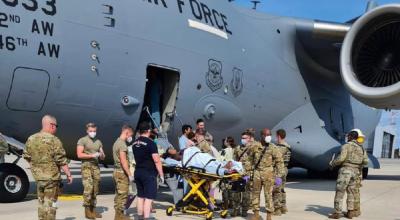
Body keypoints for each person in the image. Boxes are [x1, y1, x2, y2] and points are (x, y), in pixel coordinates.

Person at [23, 115, 73, 220]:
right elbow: (61, 161)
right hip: (51, 179)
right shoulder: (54, 140)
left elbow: (27, 156)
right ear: (52, 125)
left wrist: (37, 166)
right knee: (50, 205)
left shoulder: (31, 138)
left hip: (38, 178)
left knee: (41, 203)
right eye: (56, 126)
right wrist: (68, 174)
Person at [328, 129, 368, 219]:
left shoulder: (346, 146)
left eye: (348, 136)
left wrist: (332, 163)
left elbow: (341, 158)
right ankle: (350, 212)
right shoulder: (361, 148)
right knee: (351, 192)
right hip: (356, 172)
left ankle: (337, 213)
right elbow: (365, 161)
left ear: (350, 137)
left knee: (340, 191)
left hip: (345, 171)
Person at [247, 128, 284, 220]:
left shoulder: (273, 147)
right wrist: (247, 173)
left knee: (268, 195)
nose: (268, 137)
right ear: (261, 136)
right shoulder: (254, 146)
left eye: (269, 135)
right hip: (257, 173)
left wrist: (279, 176)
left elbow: (280, 161)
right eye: (266, 135)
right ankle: (256, 214)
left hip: (269, 173)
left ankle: (269, 215)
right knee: (255, 194)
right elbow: (249, 160)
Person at [132, 122, 164, 219]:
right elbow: (157, 160)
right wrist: (161, 174)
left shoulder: (134, 143)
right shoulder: (151, 143)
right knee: (148, 198)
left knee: (140, 196)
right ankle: (146, 218)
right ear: (148, 131)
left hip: (138, 172)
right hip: (148, 173)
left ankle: (140, 217)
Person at [76, 123, 105, 219]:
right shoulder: (82, 140)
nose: (93, 133)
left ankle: (93, 209)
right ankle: (87, 210)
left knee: (95, 189)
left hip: (96, 167)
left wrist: (101, 155)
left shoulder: (98, 141)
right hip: (86, 166)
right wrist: (91, 155)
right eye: (91, 131)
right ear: (87, 131)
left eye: (94, 131)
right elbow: (79, 155)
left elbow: (103, 156)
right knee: (88, 188)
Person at [112, 125, 134, 220]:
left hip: (117, 171)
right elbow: (124, 161)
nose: (130, 137)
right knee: (123, 195)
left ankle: (118, 215)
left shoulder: (116, 142)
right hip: (122, 173)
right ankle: (119, 216)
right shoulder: (122, 145)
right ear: (127, 132)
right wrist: (129, 175)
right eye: (130, 135)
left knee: (118, 195)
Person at [231, 132, 253, 217]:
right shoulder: (237, 148)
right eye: (242, 138)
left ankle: (244, 210)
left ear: (249, 138)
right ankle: (236, 209)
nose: (243, 140)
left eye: (245, 138)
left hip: (247, 174)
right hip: (238, 173)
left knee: (246, 194)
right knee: (236, 192)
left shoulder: (252, 149)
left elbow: (255, 162)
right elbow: (234, 160)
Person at [272, 129, 291, 215]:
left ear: (278, 136)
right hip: (284, 170)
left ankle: (277, 209)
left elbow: (275, 157)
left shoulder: (282, 147)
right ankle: (283, 207)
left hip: (279, 171)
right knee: (282, 188)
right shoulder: (287, 146)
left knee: (276, 189)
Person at [220, 137, 235, 210]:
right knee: (232, 188)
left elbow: (220, 160)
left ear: (228, 142)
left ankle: (225, 204)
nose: (224, 142)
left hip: (226, 171)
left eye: (225, 141)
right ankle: (232, 203)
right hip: (233, 171)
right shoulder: (234, 150)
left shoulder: (224, 151)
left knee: (224, 188)